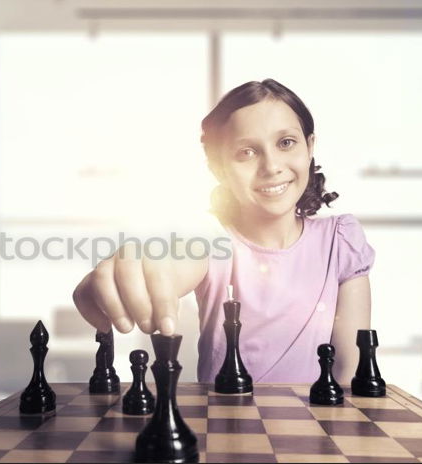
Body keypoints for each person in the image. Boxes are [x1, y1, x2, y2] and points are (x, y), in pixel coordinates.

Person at [72, 79, 375, 385]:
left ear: (310, 147)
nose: (271, 166)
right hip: (223, 428)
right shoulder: (211, 241)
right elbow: (175, 261)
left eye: (286, 143)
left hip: (315, 430)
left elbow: (352, 372)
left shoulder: (341, 240)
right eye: (246, 152)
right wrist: (136, 269)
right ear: (218, 168)